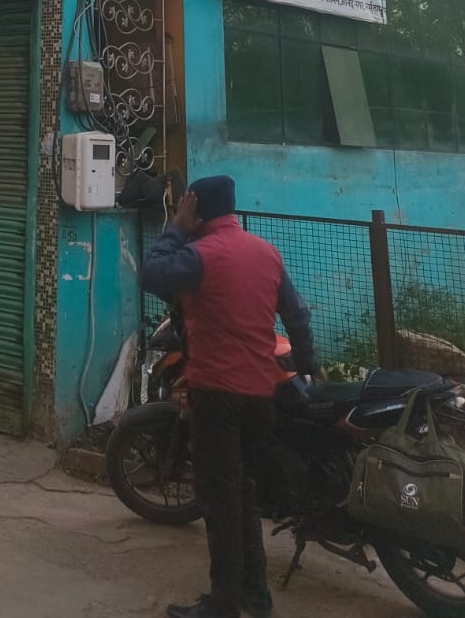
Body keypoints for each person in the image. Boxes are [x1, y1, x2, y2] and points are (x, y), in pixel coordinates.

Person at [141, 175, 317, 618]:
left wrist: (176, 227)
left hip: (216, 394)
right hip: (260, 392)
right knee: (243, 495)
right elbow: (297, 316)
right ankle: (256, 596)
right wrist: (309, 366)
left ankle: (223, 604)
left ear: (196, 209)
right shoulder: (266, 253)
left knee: (221, 503)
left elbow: (151, 274)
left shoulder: (200, 255)